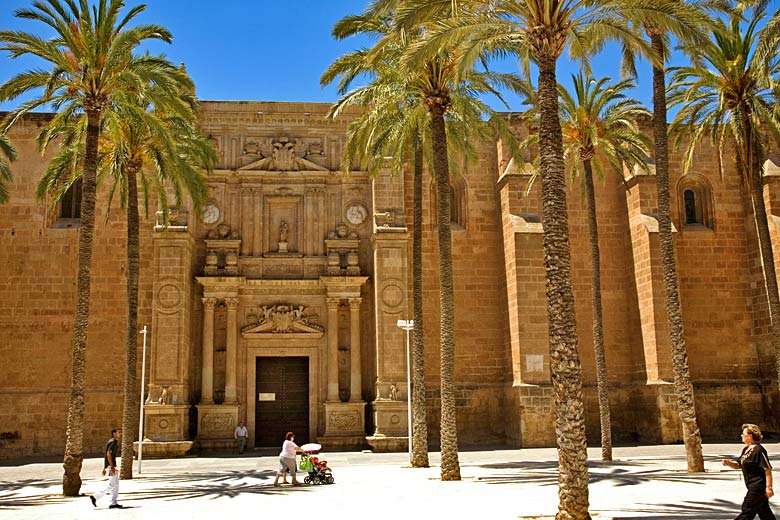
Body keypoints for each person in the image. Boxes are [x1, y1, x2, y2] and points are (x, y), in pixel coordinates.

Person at [722, 423, 776, 520]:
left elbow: (767, 468)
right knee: (764, 512)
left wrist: (769, 487)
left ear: (750, 436)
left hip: (758, 486)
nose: (741, 435)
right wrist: (729, 463)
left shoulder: (759, 450)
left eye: (743, 434)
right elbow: (739, 465)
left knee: (747, 509)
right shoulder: (746, 450)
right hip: (751, 485)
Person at [89, 429, 124, 509]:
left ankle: (113, 502)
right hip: (111, 466)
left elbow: (107, 454)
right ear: (114, 433)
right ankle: (95, 496)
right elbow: (108, 454)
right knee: (112, 485)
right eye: (118, 432)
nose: (120, 434)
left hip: (111, 466)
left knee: (116, 485)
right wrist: (111, 467)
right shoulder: (113, 442)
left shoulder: (112, 441)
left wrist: (105, 467)